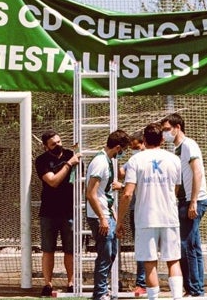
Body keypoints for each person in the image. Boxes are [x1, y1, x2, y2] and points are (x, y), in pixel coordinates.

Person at [115, 123, 184, 300]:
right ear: (162, 139)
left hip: (146, 218)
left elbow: (127, 193)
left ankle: (153, 298)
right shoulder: (174, 159)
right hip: (169, 216)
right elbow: (175, 189)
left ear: (144, 140)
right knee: (173, 260)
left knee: (149, 262)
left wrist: (120, 220)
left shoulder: (136, 160)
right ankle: (177, 297)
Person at [160, 113, 207, 297]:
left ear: (177, 127)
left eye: (167, 129)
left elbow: (197, 173)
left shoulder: (189, 145)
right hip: (185, 200)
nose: (165, 134)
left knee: (185, 245)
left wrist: (194, 201)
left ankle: (193, 289)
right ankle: (196, 289)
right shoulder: (177, 149)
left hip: (193, 200)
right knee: (193, 245)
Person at [34, 129, 81, 297]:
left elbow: (80, 179)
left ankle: (71, 282)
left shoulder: (70, 153)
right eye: (53, 144)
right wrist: (69, 164)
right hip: (49, 211)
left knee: (70, 250)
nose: (58, 145)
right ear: (46, 147)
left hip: (69, 211)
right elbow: (52, 181)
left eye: (59, 141)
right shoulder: (41, 161)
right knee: (48, 249)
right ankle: (47, 284)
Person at [86, 129, 130, 300]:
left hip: (106, 214)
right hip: (99, 216)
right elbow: (91, 193)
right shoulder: (100, 162)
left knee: (110, 253)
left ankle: (102, 290)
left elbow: (106, 194)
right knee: (105, 254)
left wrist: (115, 219)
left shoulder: (108, 162)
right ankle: (99, 293)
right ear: (118, 147)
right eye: (122, 150)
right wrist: (103, 218)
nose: (122, 153)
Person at [116, 130, 147, 296]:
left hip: (148, 209)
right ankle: (143, 283)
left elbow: (134, 186)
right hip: (137, 210)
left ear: (144, 143)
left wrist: (122, 186)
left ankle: (144, 282)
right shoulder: (133, 160)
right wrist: (117, 156)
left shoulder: (148, 158)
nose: (135, 150)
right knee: (141, 247)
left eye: (137, 146)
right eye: (132, 148)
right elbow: (121, 173)